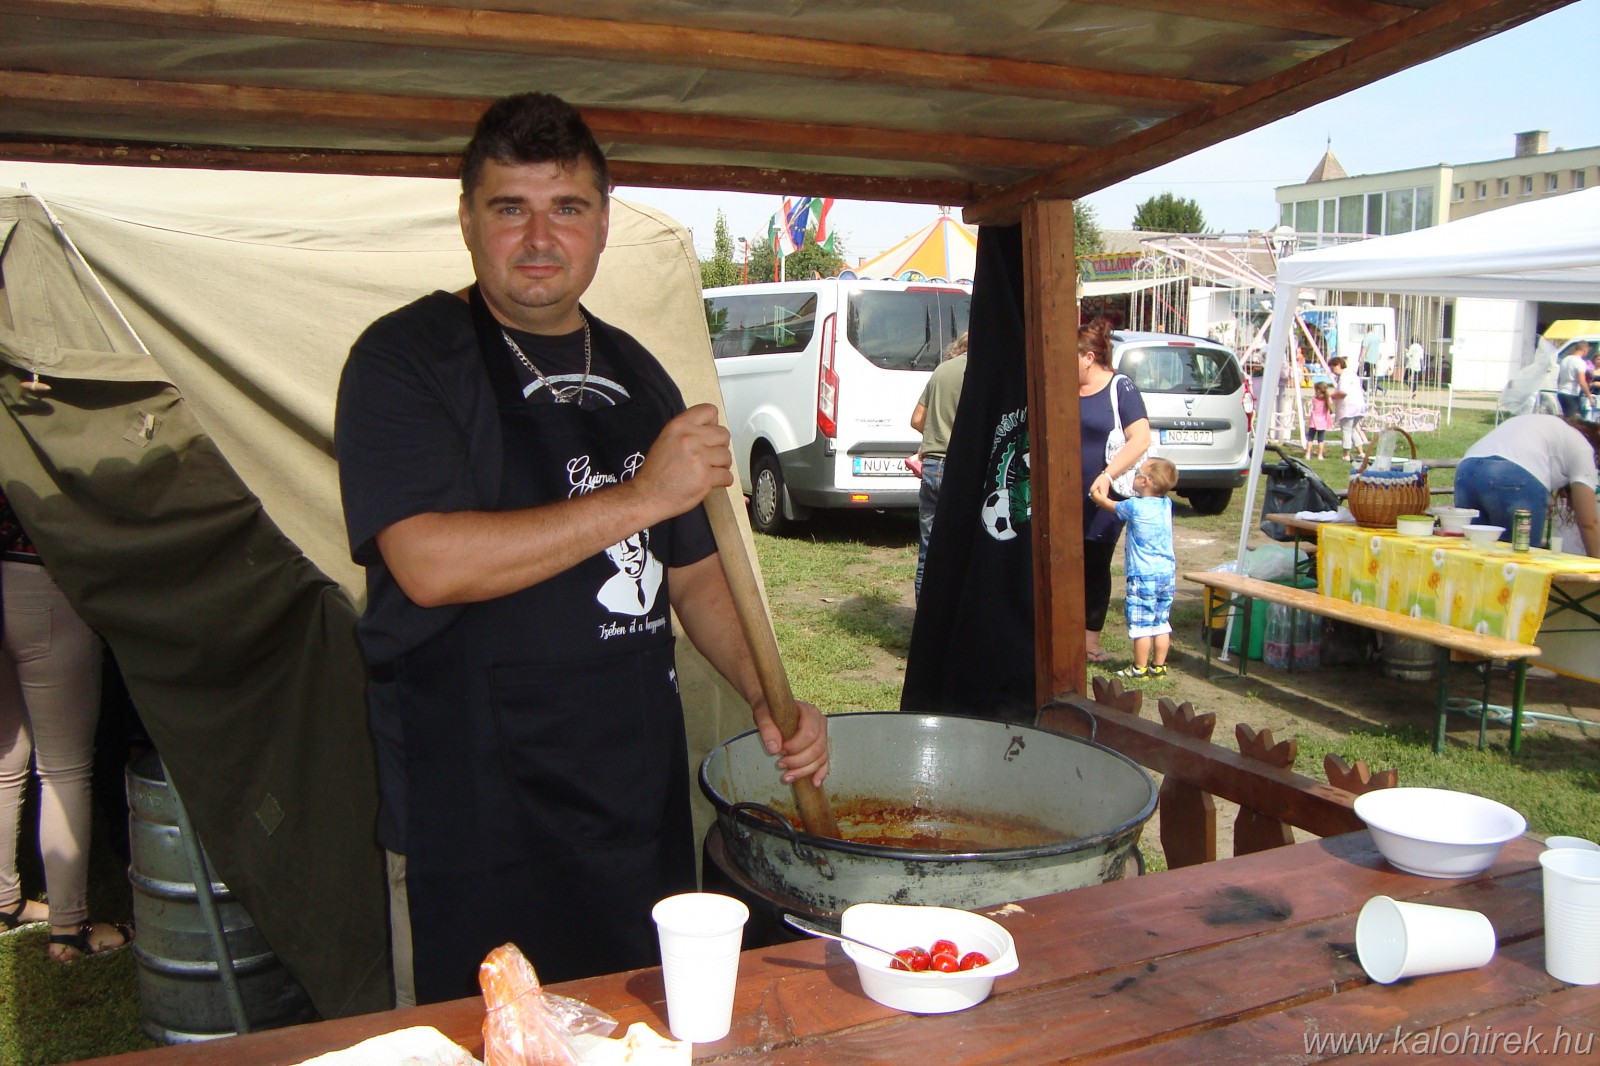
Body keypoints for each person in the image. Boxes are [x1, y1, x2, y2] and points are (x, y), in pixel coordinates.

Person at [334, 92, 830, 1005]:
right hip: (473, 816)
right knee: (491, 1044)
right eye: (509, 208)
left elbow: (693, 576)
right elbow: (430, 565)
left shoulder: (640, 375)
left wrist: (764, 692)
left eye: (566, 208)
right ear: (467, 221)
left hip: (628, 811)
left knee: (640, 1035)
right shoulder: (405, 360)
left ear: (602, 224)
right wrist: (640, 495)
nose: (538, 238)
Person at [0, 492, 134, 961]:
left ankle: (4, 903)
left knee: (4, 762)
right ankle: (70, 930)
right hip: (40, 576)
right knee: (64, 769)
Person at [1077, 317, 1152, 663]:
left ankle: (1090, 642)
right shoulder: (1065, 388)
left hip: (1104, 497)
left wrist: (1107, 475)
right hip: (1065, 494)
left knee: (1094, 564)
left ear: (1089, 357)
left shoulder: (1121, 387)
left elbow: (1141, 438)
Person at [1454, 413, 1600, 556]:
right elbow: (1588, 523)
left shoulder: (1548, 427)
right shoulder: (1584, 448)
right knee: (1521, 557)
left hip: (1467, 469)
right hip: (1514, 475)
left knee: (1474, 555)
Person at [1089, 457, 1177, 679]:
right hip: (1166, 573)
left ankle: (1139, 668)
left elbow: (1108, 505)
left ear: (1145, 481)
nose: (1134, 476)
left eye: (1137, 472)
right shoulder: (1166, 504)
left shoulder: (1133, 506)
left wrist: (1096, 495)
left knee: (1141, 624)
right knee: (1161, 622)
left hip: (1142, 575)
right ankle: (1158, 666)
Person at [908, 332, 968, 602]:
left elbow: (916, 419)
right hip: (961, 466)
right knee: (961, 547)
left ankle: (923, 616)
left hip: (932, 464)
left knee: (928, 548)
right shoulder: (979, 372)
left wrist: (937, 433)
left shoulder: (941, 371)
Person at [1329, 355, 1367, 464]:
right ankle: (1361, 452)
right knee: (1353, 429)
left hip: (1348, 408)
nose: (1333, 371)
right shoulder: (1352, 374)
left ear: (1338, 365)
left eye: (1333, 368)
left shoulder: (1344, 376)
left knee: (1346, 430)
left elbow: (1343, 392)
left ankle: (1346, 454)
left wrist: (1330, 396)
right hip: (1358, 406)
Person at [1555, 340, 1593, 419]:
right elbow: (1582, 382)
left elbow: (1559, 378)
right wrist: (1589, 396)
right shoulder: (1580, 362)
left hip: (1561, 392)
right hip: (1571, 394)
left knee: (1566, 418)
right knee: (1573, 420)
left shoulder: (1565, 359)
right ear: (1585, 349)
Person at [1307, 378, 1335, 461]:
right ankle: (1320, 455)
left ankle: (1308, 454)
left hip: (1313, 421)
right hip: (1322, 422)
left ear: (1318, 390)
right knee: (1321, 440)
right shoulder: (1327, 399)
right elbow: (1330, 405)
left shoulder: (1315, 399)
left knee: (1310, 439)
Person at [1360, 325, 1384, 393]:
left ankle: (1365, 388)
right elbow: (1376, 348)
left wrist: (1361, 357)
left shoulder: (1367, 337)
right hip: (1374, 360)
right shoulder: (1377, 337)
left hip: (1367, 359)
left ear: (1367, 329)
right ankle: (1370, 388)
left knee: (1359, 374)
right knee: (1369, 375)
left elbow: (1365, 348)